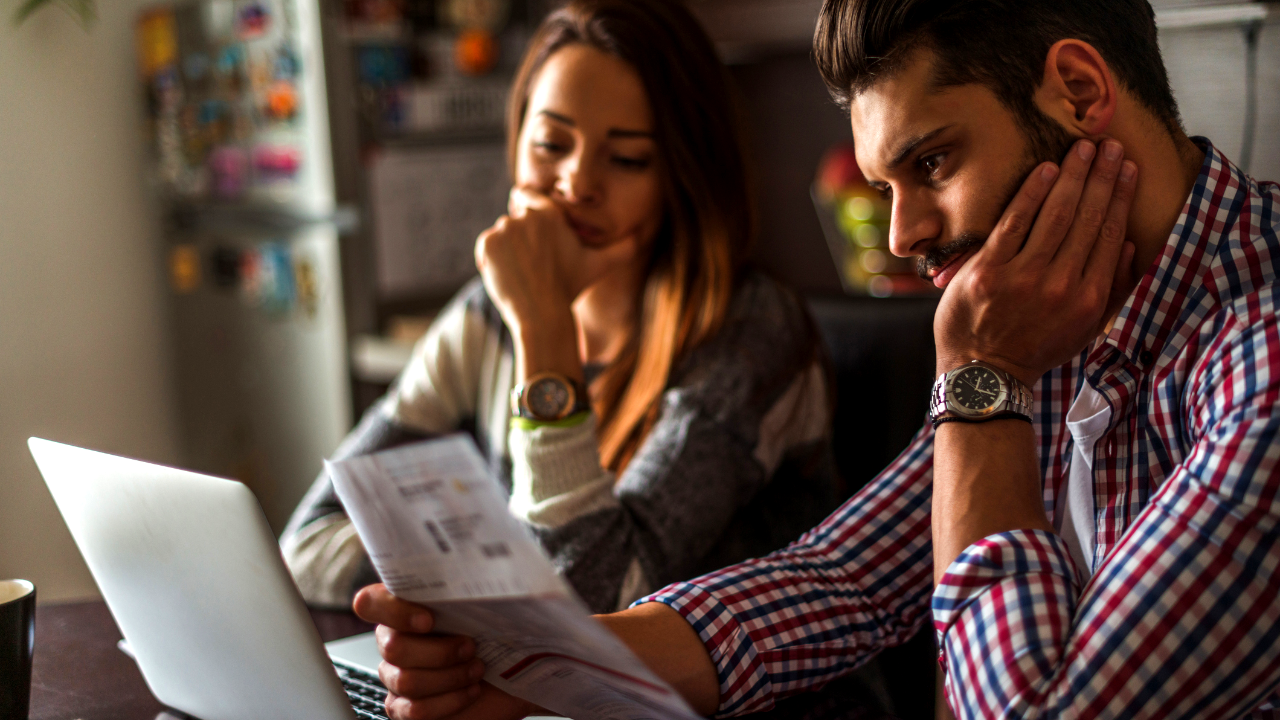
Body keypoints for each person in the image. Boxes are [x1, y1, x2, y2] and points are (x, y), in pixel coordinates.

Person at [353, 0, 1280, 718]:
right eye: (886, 185)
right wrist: (525, 666)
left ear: (1079, 93)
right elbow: (838, 582)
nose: (908, 233)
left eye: (933, 163)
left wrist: (979, 384)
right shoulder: (1045, 312)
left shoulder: (1252, 351)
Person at [281, 0, 838, 617]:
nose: (576, 184)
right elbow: (307, 543)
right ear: (517, 145)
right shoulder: (486, 316)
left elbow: (592, 596)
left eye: (626, 158)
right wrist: (494, 575)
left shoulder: (750, 337)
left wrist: (544, 326)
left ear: (684, 175)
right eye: (551, 143)